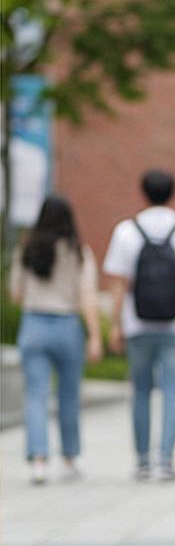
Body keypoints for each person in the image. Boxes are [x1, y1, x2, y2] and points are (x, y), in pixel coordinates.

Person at [103, 169, 175, 481]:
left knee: (140, 391)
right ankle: (166, 460)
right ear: (173, 192)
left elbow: (118, 283)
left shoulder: (127, 230)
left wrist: (114, 325)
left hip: (137, 323)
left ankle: (142, 460)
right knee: (171, 391)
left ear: (143, 193)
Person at [10, 196, 102, 484]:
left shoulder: (26, 250)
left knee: (35, 396)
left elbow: (16, 293)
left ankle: (38, 460)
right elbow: (87, 297)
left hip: (34, 324)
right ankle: (69, 458)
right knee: (69, 395)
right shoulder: (79, 252)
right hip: (67, 325)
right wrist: (95, 335)